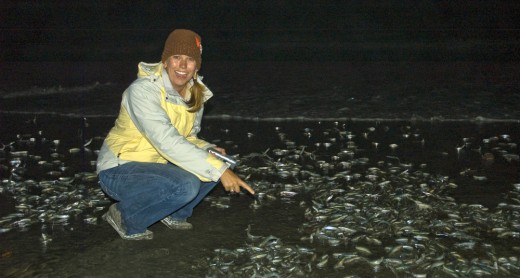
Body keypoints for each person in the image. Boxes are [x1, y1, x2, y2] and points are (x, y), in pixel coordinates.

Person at [96, 29, 254, 240]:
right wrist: (219, 170)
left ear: (196, 66)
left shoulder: (194, 95)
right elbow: (166, 141)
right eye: (176, 57)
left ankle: (174, 213)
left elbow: (186, 138)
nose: (182, 65)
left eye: (189, 60)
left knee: (219, 160)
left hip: (157, 165)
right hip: (119, 170)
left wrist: (209, 151)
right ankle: (125, 217)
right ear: (165, 61)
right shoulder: (142, 91)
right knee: (189, 182)